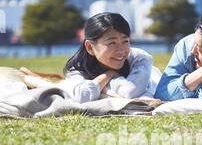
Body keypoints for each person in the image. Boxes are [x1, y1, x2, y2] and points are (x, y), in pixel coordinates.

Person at [20, 12, 160, 103]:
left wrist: (108, 82)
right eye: (111, 43)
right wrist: (107, 75)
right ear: (89, 47)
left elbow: (130, 92)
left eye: (125, 41)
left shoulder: (140, 58)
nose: (121, 50)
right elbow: (82, 96)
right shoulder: (78, 67)